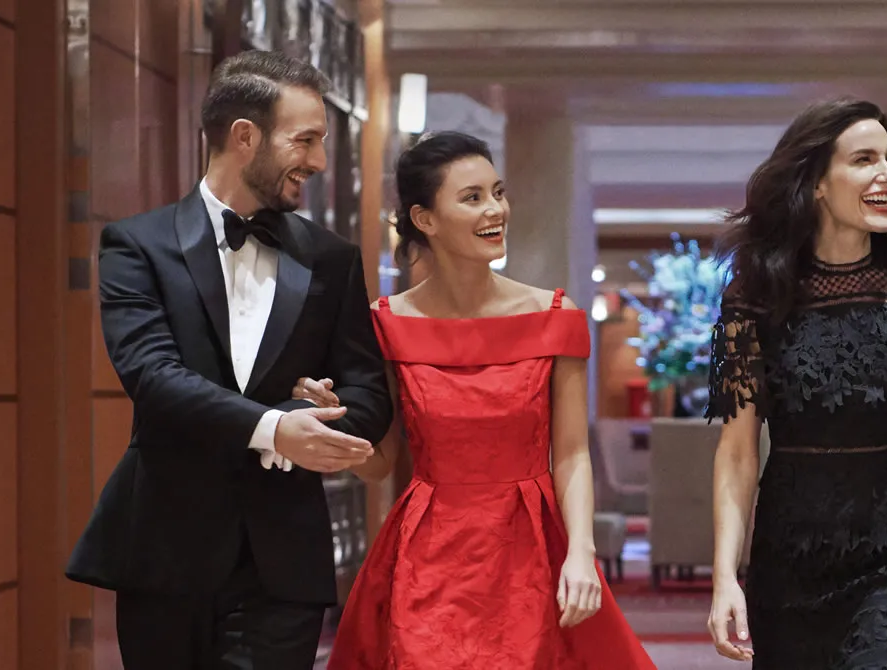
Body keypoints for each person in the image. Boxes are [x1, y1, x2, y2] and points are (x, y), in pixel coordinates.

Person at [66, 50, 392, 668]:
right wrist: (276, 428)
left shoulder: (332, 259)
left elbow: (369, 394)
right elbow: (152, 378)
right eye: (306, 141)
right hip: (163, 549)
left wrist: (321, 421)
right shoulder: (137, 244)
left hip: (282, 561)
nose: (319, 162)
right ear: (246, 137)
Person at [310, 131, 656, 669]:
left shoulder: (554, 317)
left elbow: (571, 454)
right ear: (424, 219)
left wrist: (582, 552)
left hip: (530, 547)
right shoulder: (386, 325)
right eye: (472, 198)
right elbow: (380, 465)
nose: (495, 210)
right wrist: (335, 430)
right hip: (428, 549)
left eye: (498, 192)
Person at [703, 99, 887, 669]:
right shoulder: (756, 295)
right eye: (864, 159)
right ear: (815, 181)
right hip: (789, 556)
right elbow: (737, 452)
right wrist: (723, 576)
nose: (886, 174)